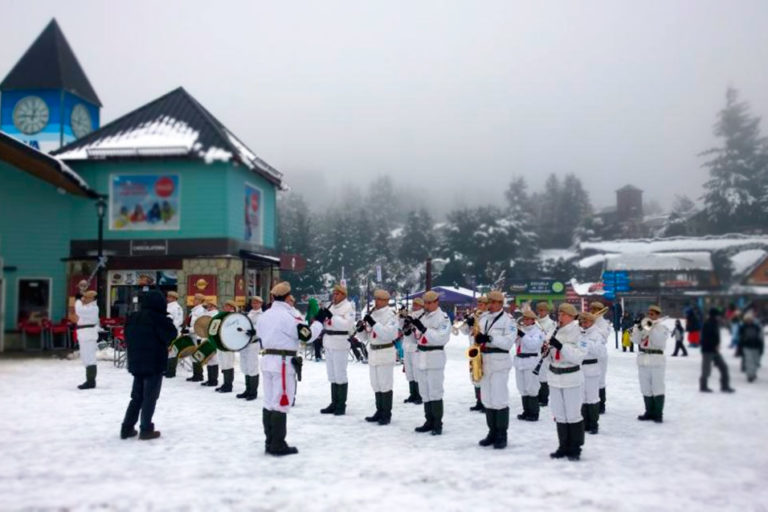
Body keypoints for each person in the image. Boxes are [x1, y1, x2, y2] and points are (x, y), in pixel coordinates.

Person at [259, 282, 322, 456]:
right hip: (283, 362)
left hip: (267, 360)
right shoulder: (290, 316)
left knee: (269, 401)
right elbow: (306, 336)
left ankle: (269, 441)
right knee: (281, 402)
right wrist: (318, 324)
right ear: (287, 297)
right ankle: (278, 444)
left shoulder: (264, 315)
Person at [121, 290, 177, 440]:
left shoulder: (133, 317)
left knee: (136, 397)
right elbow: (171, 335)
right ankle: (146, 429)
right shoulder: (159, 318)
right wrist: (168, 321)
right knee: (150, 397)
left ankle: (126, 428)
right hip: (154, 362)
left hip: (136, 361)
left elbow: (126, 335)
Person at [474, 291, 516, 449]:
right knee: (488, 399)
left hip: (499, 362)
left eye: (491, 302)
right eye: (488, 302)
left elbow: (508, 342)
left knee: (499, 399)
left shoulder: (508, 321)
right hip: (484, 361)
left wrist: (490, 338)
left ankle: (501, 434)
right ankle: (491, 431)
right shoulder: (483, 318)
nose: (488, 305)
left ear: (499, 303)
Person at [545, 303, 586, 461]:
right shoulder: (553, 330)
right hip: (554, 377)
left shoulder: (580, 332)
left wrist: (561, 347)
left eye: (563, 314)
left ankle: (575, 447)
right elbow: (549, 356)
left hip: (571, 377)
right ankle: (563, 445)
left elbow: (578, 357)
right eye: (559, 314)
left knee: (573, 414)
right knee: (560, 414)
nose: (560, 317)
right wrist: (546, 352)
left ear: (571, 316)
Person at [410, 290, 451, 436]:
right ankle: (428, 420)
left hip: (435, 357)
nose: (426, 305)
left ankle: (437, 423)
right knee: (425, 392)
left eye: (428, 303)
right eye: (425, 303)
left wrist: (423, 329)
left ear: (436, 302)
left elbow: (441, 338)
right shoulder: (423, 316)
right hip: (421, 356)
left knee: (435, 391)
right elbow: (418, 337)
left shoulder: (443, 318)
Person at [358, 289, 399, 425]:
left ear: (387, 301)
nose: (377, 301)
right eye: (376, 299)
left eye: (380, 299)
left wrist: (374, 323)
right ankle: (379, 410)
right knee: (375, 384)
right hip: (374, 352)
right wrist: (360, 330)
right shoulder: (372, 314)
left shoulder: (391, 315)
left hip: (385, 351)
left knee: (385, 384)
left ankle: (386, 413)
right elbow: (367, 337)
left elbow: (389, 334)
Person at [315, 284, 356, 416]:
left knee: (340, 374)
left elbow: (347, 325)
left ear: (344, 295)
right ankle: (334, 402)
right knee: (332, 374)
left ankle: (341, 404)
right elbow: (326, 321)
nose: (334, 296)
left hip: (340, 342)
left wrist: (332, 317)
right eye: (334, 293)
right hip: (329, 341)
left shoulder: (348, 307)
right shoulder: (331, 306)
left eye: (337, 293)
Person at [631, 305, 670, 422]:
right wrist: (638, 328)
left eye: (653, 314)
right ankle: (649, 411)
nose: (650, 316)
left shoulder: (662, 328)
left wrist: (651, 328)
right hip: (643, 359)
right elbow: (635, 340)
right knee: (645, 387)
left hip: (656, 359)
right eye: (649, 313)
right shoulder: (643, 326)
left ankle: (658, 414)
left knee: (657, 387)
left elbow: (659, 341)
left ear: (658, 315)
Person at [514, 309, 545, 422]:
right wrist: (515, 333)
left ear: (533, 320)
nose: (525, 321)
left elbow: (533, 345)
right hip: (520, 360)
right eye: (524, 319)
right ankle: (526, 411)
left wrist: (522, 335)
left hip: (531, 360)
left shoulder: (538, 331)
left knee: (531, 387)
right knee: (522, 387)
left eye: (528, 319)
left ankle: (534, 412)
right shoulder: (522, 330)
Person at [461, 296, 488, 412]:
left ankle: (486, 402)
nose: (479, 306)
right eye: (479, 303)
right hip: (473, 349)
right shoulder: (474, 315)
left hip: (484, 349)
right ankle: (479, 401)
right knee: (474, 375)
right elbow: (463, 331)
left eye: (482, 304)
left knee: (484, 376)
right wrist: (468, 323)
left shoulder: (488, 318)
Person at [578, 312, 603, 435]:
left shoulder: (597, 334)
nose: (584, 324)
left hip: (592, 368)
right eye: (582, 322)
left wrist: (585, 343)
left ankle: (593, 424)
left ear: (592, 322)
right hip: (580, 368)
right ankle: (584, 423)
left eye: (586, 322)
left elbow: (598, 351)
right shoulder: (579, 333)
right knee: (582, 397)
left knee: (592, 398)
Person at [700, 308, 735, 393]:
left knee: (724, 367)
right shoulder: (708, 324)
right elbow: (706, 339)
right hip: (708, 350)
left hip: (715, 350)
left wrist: (717, 345)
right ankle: (703, 386)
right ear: (714, 316)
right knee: (706, 370)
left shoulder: (715, 323)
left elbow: (715, 336)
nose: (719, 317)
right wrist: (715, 345)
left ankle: (725, 386)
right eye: (718, 315)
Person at [237, 296, 263, 400]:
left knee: (252, 367)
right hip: (245, 343)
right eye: (253, 303)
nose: (255, 304)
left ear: (261, 304)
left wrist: (255, 331)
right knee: (245, 366)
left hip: (253, 342)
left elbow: (261, 327)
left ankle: (253, 392)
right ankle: (247, 390)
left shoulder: (262, 315)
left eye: (257, 303)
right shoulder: (249, 313)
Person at [73, 290, 100, 389]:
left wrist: (78, 300)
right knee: (85, 358)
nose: (84, 299)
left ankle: (91, 381)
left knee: (90, 359)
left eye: (86, 297)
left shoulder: (93, 308)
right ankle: (89, 380)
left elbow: (79, 310)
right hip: (84, 334)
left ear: (92, 298)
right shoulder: (88, 307)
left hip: (88, 335)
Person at [401, 298, 425, 404]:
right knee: (409, 372)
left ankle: (419, 395)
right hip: (406, 346)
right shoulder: (410, 314)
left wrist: (414, 325)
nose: (414, 306)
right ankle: (412, 394)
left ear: (421, 305)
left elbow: (421, 332)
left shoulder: (423, 316)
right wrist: (401, 318)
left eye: (416, 304)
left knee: (417, 372)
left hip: (416, 348)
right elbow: (400, 327)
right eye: (413, 304)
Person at [588, 302, 610, 414]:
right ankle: (592, 403)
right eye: (591, 309)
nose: (592, 311)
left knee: (600, 380)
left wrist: (593, 324)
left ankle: (601, 404)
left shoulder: (603, 323)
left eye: (595, 309)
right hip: (589, 354)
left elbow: (604, 336)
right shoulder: (591, 320)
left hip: (600, 355)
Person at [535, 302, 557, 407]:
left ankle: (544, 398)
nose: (540, 312)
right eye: (539, 310)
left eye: (543, 310)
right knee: (535, 375)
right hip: (535, 350)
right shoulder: (534, 321)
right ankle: (536, 396)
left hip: (545, 351)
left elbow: (551, 336)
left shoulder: (551, 323)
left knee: (543, 375)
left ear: (547, 311)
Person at [215, 300, 239, 393]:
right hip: (221, 341)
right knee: (223, 362)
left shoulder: (234, 317)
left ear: (232, 307)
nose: (225, 307)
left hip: (229, 343)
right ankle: (225, 383)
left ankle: (228, 385)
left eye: (227, 306)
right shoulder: (223, 315)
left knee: (228, 362)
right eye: (225, 306)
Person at [186, 293, 207, 382]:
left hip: (197, 335)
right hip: (192, 335)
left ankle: (199, 375)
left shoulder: (201, 311)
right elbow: (190, 322)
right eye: (194, 299)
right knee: (193, 355)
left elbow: (199, 325)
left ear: (200, 301)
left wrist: (189, 330)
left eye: (196, 299)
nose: (194, 300)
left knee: (197, 355)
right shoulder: (194, 310)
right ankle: (196, 374)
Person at [739, 312, 764, 382]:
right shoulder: (743, 327)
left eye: (750, 319)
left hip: (756, 347)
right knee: (749, 361)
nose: (749, 321)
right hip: (747, 346)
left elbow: (760, 337)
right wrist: (740, 346)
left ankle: (753, 373)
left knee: (756, 361)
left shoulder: (757, 327)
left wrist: (761, 347)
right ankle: (750, 375)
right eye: (747, 319)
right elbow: (740, 338)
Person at [164, 291, 184, 378]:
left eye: (170, 297)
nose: (168, 298)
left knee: (172, 351)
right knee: (168, 351)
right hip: (167, 331)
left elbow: (179, 320)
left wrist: (170, 327)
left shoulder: (177, 308)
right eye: (168, 296)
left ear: (174, 298)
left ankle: (171, 371)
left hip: (173, 331)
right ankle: (167, 369)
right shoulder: (168, 306)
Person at [201, 299, 220, 388]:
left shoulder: (216, 314)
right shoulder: (207, 314)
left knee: (213, 359)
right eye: (208, 306)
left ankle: (214, 380)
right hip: (206, 337)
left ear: (214, 307)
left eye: (211, 306)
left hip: (212, 339)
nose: (209, 307)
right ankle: (210, 379)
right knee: (208, 359)